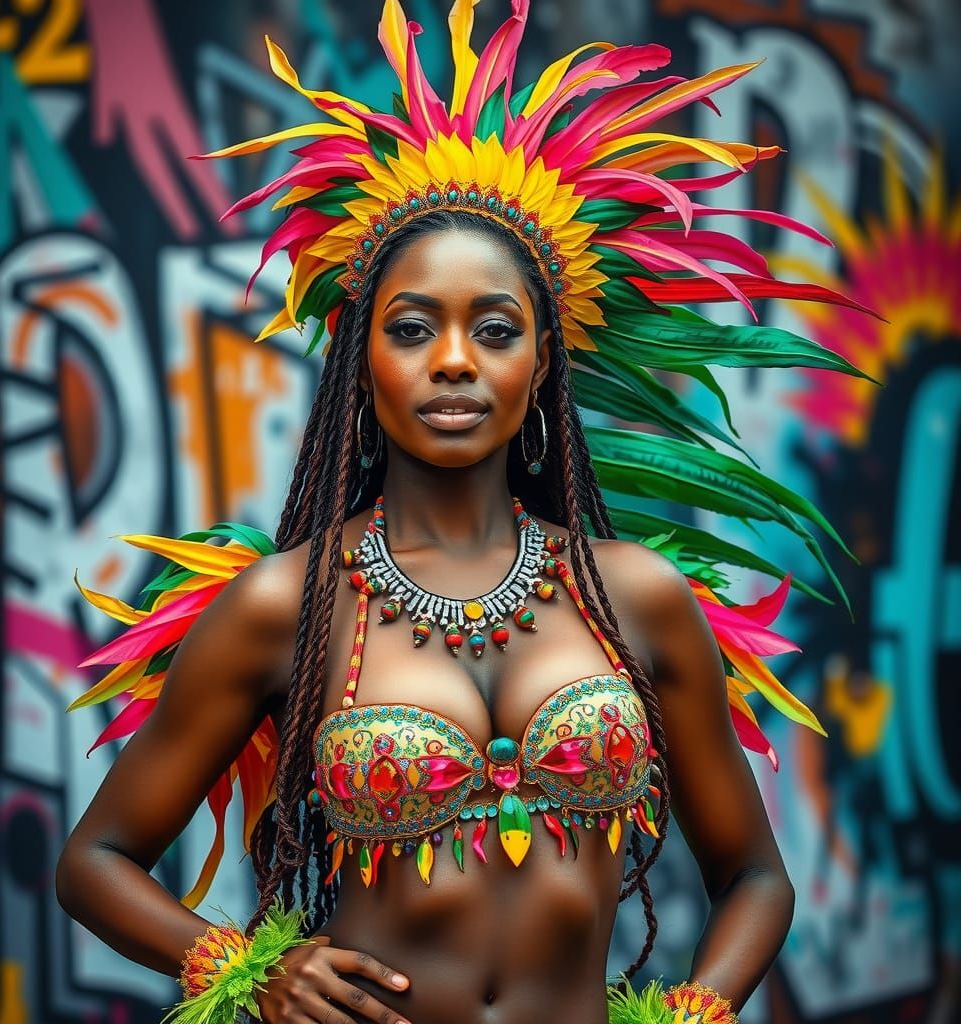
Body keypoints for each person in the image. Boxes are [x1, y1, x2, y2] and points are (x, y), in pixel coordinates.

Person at [56, 3, 872, 1022]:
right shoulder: (286, 606)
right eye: (411, 328)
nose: (453, 359)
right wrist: (247, 967)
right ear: (364, 366)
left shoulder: (637, 600)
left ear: (540, 365)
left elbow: (755, 874)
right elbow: (94, 859)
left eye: (493, 329)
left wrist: (693, 1010)